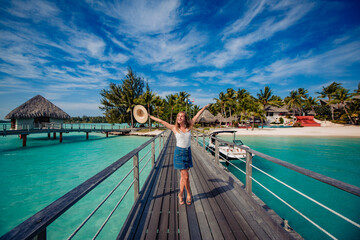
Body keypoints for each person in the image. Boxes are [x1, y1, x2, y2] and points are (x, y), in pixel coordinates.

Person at [149, 104, 210, 205]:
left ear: (185, 118)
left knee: (183, 176)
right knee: (186, 177)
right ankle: (189, 194)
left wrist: (204, 108)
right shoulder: (174, 128)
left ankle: (180, 194)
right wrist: (150, 116)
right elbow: (161, 121)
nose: (179, 118)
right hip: (179, 154)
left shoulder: (189, 125)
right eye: (178, 116)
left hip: (188, 152)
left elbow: (197, 116)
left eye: (181, 116)